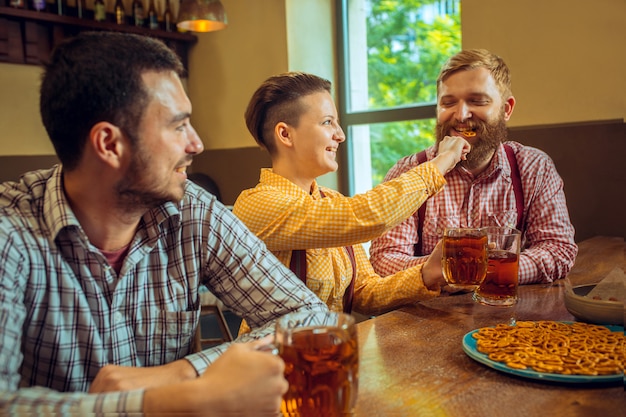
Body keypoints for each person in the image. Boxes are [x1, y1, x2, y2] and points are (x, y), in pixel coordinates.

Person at [0, 32, 329, 416]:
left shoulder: (193, 212)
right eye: (178, 126)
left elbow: (310, 317)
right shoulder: (12, 230)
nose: (196, 144)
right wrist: (165, 403)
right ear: (109, 144)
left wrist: (181, 373)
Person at [232, 71, 470, 323]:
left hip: (332, 355)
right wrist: (441, 162)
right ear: (285, 134)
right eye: (327, 122)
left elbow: (365, 292)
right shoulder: (255, 205)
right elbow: (366, 216)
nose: (340, 135)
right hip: (273, 359)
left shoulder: (331, 200)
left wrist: (427, 274)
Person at [370, 49, 578, 285]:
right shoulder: (408, 171)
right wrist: (456, 268)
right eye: (448, 103)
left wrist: (478, 268)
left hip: (511, 316)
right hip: (430, 317)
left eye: (477, 101)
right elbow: (384, 260)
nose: (460, 115)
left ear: (506, 109)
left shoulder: (533, 167)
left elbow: (558, 250)